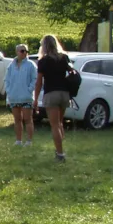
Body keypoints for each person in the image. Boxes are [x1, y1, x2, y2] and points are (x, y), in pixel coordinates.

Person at [35, 34, 71, 162]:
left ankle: (60, 154)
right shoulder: (64, 58)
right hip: (64, 93)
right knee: (60, 122)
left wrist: (35, 99)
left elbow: (39, 82)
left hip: (51, 93)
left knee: (54, 125)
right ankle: (59, 147)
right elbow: (71, 71)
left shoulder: (43, 61)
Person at [5, 43, 37, 147]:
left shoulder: (31, 65)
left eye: (26, 51)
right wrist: (9, 91)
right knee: (17, 119)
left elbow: (35, 79)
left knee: (27, 119)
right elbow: (7, 80)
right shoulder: (11, 65)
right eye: (22, 51)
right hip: (14, 97)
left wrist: (29, 90)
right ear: (17, 52)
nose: (25, 53)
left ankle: (29, 141)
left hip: (26, 97)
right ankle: (18, 140)